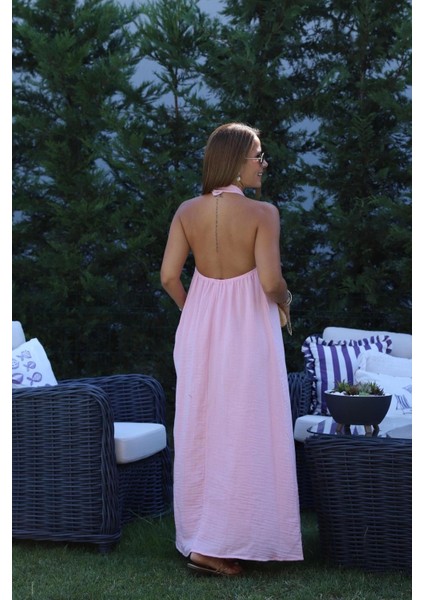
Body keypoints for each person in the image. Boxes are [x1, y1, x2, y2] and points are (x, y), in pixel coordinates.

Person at [160, 122, 303, 576]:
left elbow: (169, 277)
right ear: (237, 161)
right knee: (248, 427)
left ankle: (203, 539)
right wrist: (286, 301)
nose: (263, 164)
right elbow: (270, 281)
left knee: (202, 428)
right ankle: (230, 540)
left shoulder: (187, 211)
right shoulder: (264, 214)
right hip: (248, 328)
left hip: (198, 328)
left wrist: (193, 310)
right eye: (258, 155)